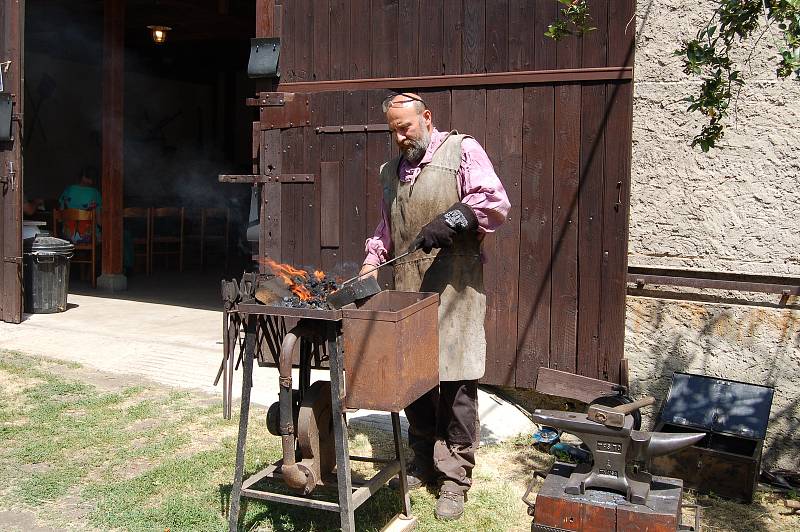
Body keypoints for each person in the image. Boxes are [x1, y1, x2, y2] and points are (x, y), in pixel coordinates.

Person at [360, 92, 510, 521]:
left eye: (405, 127)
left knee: (457, 382)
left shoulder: (462, 149)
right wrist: (373, 259)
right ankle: (422, 458)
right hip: (410, 289)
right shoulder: (390, 170)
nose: (400, 137)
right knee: (416, 381)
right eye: (393, 130)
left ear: (426, 118)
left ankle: (455, 477)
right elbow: (387, 225)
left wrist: (454, 219)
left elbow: (495, 203)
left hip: (456, 288)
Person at [58, 165, 102, 243]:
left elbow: (60, 218)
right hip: (88, 237)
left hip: (67, 236)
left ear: (82, 176)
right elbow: (99, 221)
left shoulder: (68, 190)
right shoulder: (95, 193)